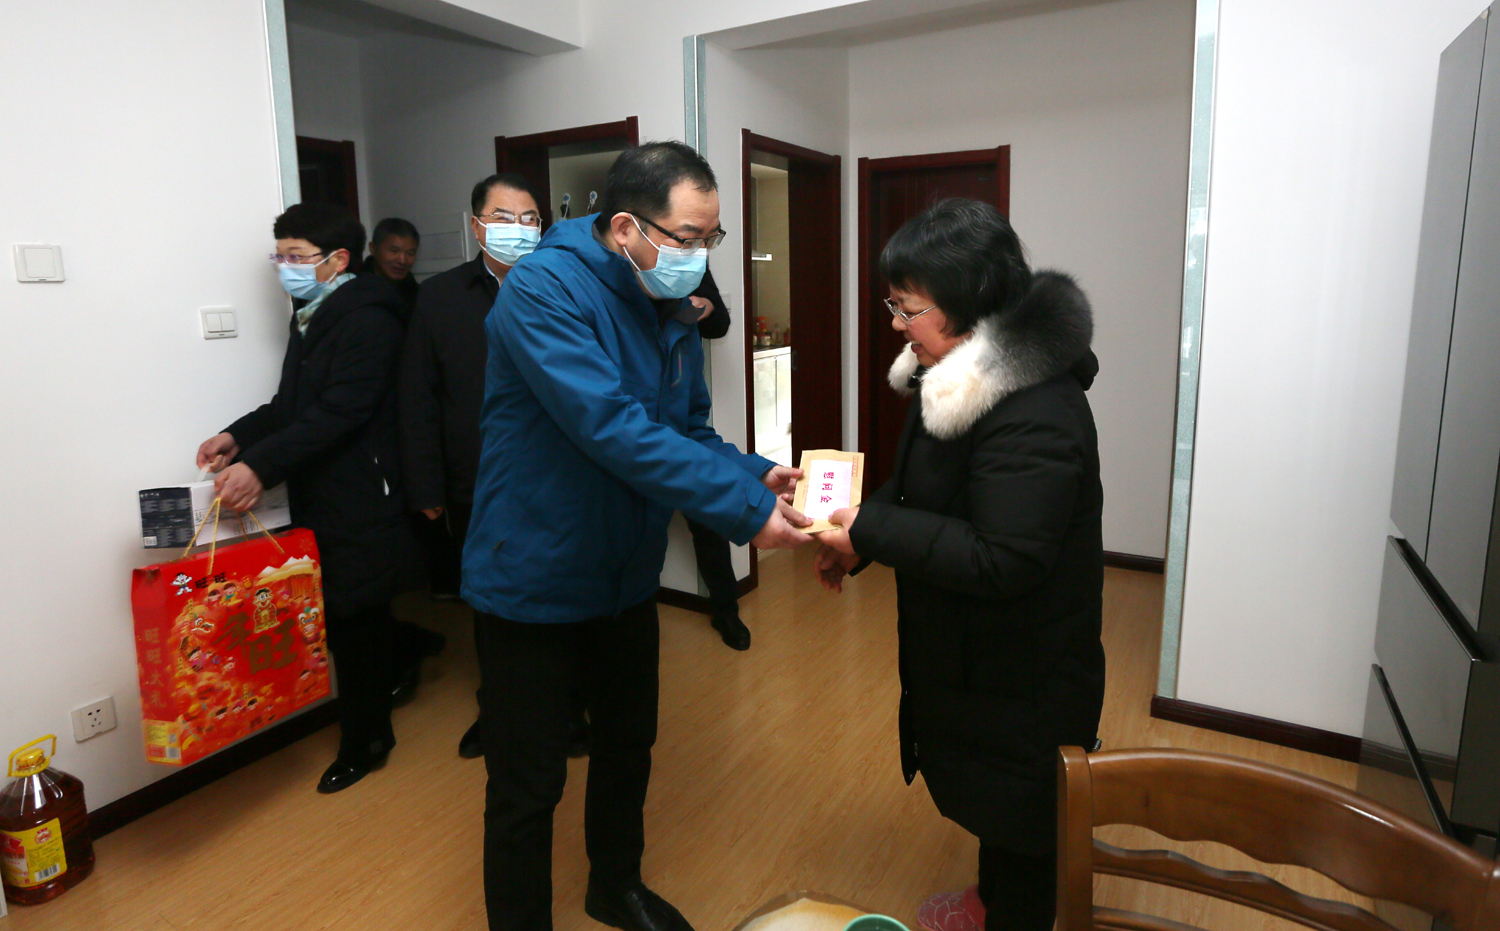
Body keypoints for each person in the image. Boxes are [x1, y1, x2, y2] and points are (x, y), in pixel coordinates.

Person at [464, 141, 813, 931]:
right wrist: (742, 512)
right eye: (687, 238)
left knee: (628, 745)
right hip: (533, 572)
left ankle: (614, 884)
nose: (699, 257)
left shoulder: (668, 302)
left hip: (623, 571)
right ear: (625, 227)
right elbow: (612, 427)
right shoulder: (543, 290)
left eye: (710, 238)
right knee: (528, 783)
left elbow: (686, 428)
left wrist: (754, 473)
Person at [813, 198, 1105, 931]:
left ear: (970, 303)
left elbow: (1004, 557)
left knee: (1025, 810)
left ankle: (1015, 913)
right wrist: (862, 536)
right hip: (981, 654)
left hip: (1025, 664)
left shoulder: (1034, 405)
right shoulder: (959, 375)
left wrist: (872, 528)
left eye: (907, 308)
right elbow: (925, 490)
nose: (895, 325)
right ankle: (992, 899)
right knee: (998, 801)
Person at [196, 202, 414, 794]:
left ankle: (367, 741)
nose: (284, 267)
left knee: (356, 617)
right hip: (323, 488)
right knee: (348, 615)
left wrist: (259, 468)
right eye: (280, 256)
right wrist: (237, 437)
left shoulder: (370, 320)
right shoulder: (313, 314)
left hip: (361, 491)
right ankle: (398, 676)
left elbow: (341, 411)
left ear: (338, 260)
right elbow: (290, 407)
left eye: (296, 257)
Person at [398, 171, 555, 758]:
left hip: (557, 476)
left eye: (529, 219)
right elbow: (417, 396)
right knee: (492, 606)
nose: (519, 229)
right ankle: (499, 712)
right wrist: (426, 486)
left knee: (558, 595)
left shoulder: (565, 287)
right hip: (478, 480)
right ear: (477, 226)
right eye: (504, 218)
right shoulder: (439, 297)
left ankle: (566, 709)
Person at [677, 267, 754, 651]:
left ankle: (725, 610)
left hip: (683, 424)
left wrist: (701, 307)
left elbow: (719, 322)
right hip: (630, 428)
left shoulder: (689, 263)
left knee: (709, 518)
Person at [366, 217, 421, 311]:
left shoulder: (419, 295)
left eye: (410, 254)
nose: (402, 260)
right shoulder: (357, 292)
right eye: (394, 251)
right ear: (373, 249)